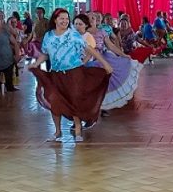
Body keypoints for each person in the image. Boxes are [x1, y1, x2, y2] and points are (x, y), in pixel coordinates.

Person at [28, 9, 113, 142]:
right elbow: (45, 54)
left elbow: (89, 49)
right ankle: (57, 132)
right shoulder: (48, 36)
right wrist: (36, 63)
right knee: (54, 100)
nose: (65, 21)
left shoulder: (73, 34)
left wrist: (105, 63)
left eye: (67, 18)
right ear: (55, 20)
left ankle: (78, 131)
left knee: (74, 101)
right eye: (62, 18)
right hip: (56, 74)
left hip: (74, 73)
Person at [85, 13, 142, 112]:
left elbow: (111, 45)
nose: (91, 20)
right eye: (88, 18)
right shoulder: (82, 33)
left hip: (101, 60)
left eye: (93, 18)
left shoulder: (102, 32)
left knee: (104, 83)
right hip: (87, 61)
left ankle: (102, 107)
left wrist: (123, 55)